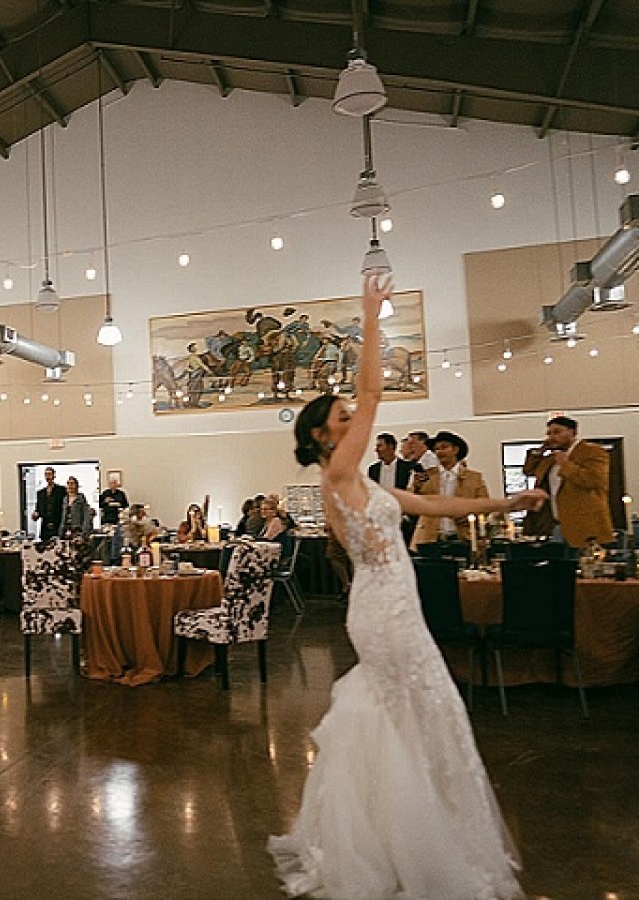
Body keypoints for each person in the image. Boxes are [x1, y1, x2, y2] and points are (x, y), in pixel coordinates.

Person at [268, 275, 543, 897]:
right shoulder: (336, 474)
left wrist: (507, 501)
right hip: (382, 612)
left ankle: (395, 833)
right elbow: (370, 389)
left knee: (407, 717)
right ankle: (414, 843)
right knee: (418, 710)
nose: (353, 419)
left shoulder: (364, 484)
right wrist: (371, 315)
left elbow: (427, 505)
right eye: (342, 419)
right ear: (322, 436)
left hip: (394, 605)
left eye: (349, 417)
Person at [522, 416, 613, 549]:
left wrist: (566, 464)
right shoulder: (551, 459)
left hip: (585, 525)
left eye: (557, 432)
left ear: (572, 432)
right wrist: (539, 451)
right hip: (554, 525)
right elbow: (528, 470)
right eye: (549, 433)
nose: (551, 437)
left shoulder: (593, 452)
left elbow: (594, 480)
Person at [410, 430, 489, 549]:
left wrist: (469, 515)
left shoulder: (473, 478)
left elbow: (485, 506)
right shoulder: (427, 476)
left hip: (463, 538)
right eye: (436, 449)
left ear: (456, 450)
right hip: (430, 539)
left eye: (444, 447)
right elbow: (412, 503)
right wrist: (416, 488)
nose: (440, 452)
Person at [31, 467, 66, 541]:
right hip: (45, 529)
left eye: (50, 474)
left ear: (54, 476)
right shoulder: (40, 493)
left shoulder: (61, 490)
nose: (48, 477)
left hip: (58, 526)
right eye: (46, 474)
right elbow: (38, 510)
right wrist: (35, 515)